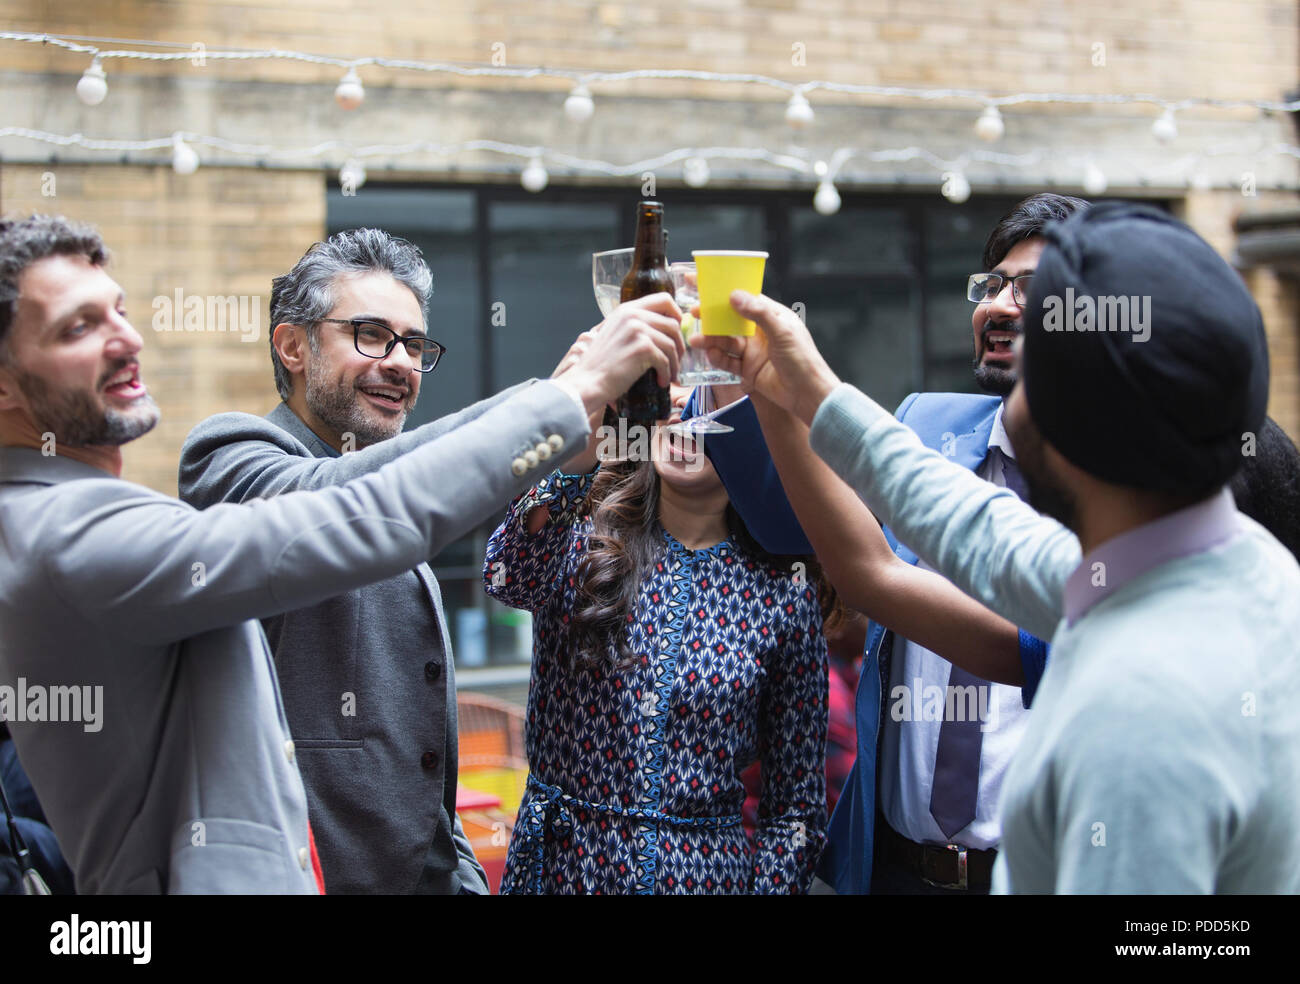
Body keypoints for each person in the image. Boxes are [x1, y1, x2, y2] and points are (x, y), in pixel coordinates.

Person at [0, 213, 682, 893]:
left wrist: (558, 409)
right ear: (291, 347)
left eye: (119, 311)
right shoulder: (152, 491)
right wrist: (567, 399)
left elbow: (376, 493)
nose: (129, 337)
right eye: (79, 326)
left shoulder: (77, 514)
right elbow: (350, 509)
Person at [698, 201, 1300, 893]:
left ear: (1077, 410)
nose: (1002, 315)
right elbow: (963, 521)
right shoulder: (1204, 563)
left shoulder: (1144, 707)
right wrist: (796, 388)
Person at [180, 229, 618, 894]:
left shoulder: (400, 508)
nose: (399, 363)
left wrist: (462, 875)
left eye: (413, 344)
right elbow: (339, 507)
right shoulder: (233, 456)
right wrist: (551, 403)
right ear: (292, 346)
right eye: (370, 335)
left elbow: (426, 787)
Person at [703, 193, 1086, 894]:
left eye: (1032, 288)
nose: (999, 305)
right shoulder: (930, 423)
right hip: (895, 868)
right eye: (991, 284)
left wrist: (804, 385)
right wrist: (755, 386)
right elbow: (800, 528)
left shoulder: (1121, 495)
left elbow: (874, 577)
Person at [483, 385, 831, 894]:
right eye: (668, 408)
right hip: (563, 868)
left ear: (758, 439)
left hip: (703, 875)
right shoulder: (584, 541)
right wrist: (577, 451)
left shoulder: (782, 594)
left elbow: (796, 810)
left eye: (703, 408)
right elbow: (505, 573)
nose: (683, 422)